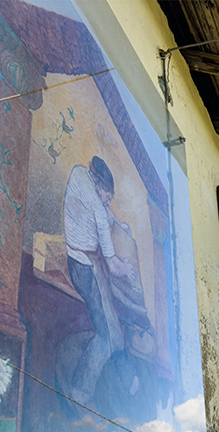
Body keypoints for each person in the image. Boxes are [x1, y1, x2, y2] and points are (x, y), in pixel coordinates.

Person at [63, 156, 136, 404]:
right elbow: (113, 265)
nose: (109, 201)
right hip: (86, 270)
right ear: (100, 186)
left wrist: (119, 223)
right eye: (108, 195)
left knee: (112, 321)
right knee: (107, 333)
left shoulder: (79, 173)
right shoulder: (98, 209)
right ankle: (80, 391)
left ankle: (128, 377)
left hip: (76, 260)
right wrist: (126, 270)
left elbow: (101, 206)